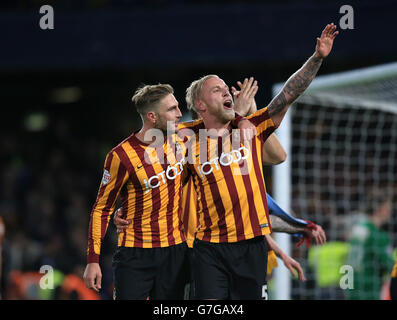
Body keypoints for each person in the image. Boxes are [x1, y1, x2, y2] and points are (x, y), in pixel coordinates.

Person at [181, 23, 338, 299]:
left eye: (225, 88)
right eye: (216, 90)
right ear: (201, 105)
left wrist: (316, 58)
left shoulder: (250, 129)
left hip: (251, 247)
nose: (226, 91)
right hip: (208, 248)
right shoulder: (185, 142)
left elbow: (289, 95)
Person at [83, 84, 252, 300]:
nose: (180, 114)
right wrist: (92, 260)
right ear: (152, 116)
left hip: (175, 251)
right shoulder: (121, 156)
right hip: (134, 255)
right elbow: (101, 209)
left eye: (178, 106)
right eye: (172, 109)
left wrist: (241, 118)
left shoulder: (183, 137)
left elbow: (219, 121)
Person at [346, 190, 395, 300]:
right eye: (388, 208)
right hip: (369, 290)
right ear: (380, 209)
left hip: (351, 288)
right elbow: (390, 266)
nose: (390, 212)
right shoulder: (377, 235)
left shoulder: (358, 228)